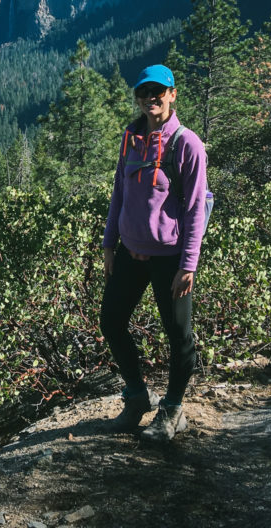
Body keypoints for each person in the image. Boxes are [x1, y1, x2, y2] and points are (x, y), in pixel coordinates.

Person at [100, 64, 208, 442]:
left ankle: (173, 409)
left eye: (158, 92)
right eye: (144, 92)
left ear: (172, 94)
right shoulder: (130, 138)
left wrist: (188, 264)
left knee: (179, 336)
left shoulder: (186, 144)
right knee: (111, 320)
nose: (151, 98)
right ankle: (136, 398)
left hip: (170, 258)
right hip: (130, 252)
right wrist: (109, 243)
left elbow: (195, 207)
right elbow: (119, 192)